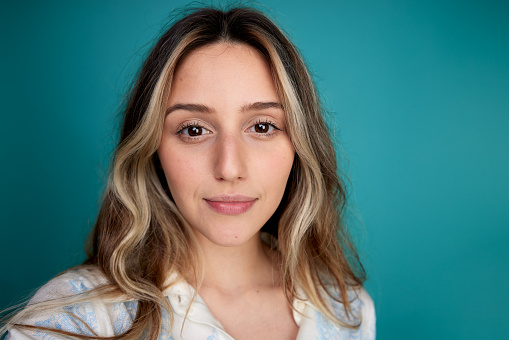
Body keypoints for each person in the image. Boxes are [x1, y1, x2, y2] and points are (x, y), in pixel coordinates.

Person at [1, 6, 375, 340]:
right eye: (194, 130)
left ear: (299, 145)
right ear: (152, 148)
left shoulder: (346, 310)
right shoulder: (74, 322)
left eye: (262, 126)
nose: (229, 168)